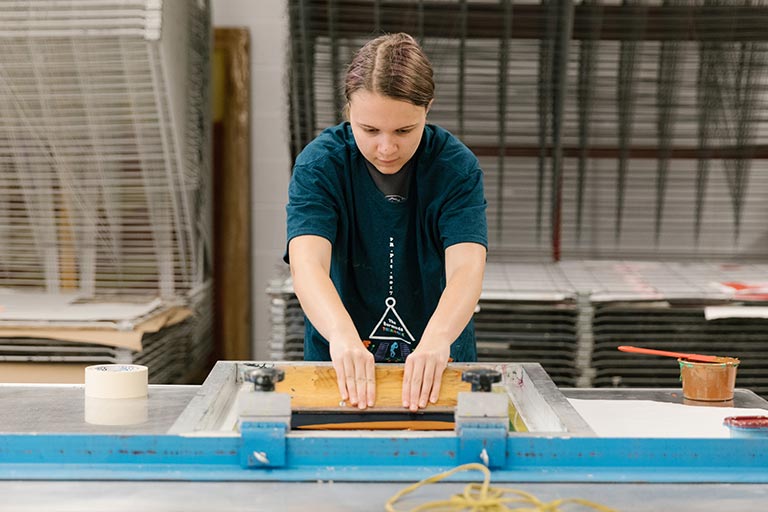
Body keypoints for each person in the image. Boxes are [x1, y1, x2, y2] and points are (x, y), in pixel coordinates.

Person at [285, 33, 487, 412]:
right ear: (348, 111)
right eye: (370, 130)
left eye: (404, 131)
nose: (386, 148)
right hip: (338, 368)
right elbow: (307, 264)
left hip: (437, 371)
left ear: (428, 109)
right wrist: (342, 336)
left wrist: (437, 339)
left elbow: (466, 269)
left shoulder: (456, 169)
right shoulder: (320, 165)